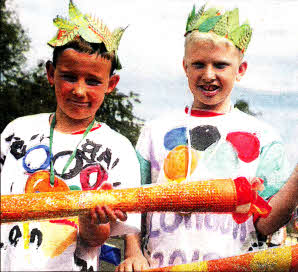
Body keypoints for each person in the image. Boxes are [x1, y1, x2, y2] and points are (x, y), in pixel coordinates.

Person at [117, 3, 294, 270]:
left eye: (220, 65)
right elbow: (134, 204)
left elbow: (266, 223)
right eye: (198, 64)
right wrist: (133, 252)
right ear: (185, 66)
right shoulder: (155, 131)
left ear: (241, 69)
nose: (208, 74)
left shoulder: (264, 137)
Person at [0, 1, 140, 271]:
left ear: (111, 84)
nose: (79, 90)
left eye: (93, 81)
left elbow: (96, 238)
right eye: (69, 76)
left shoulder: (118, 150)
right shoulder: (15, 132)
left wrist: (92, 222)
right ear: (51, 74)